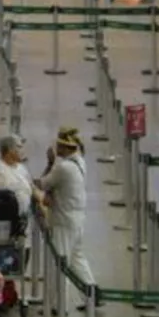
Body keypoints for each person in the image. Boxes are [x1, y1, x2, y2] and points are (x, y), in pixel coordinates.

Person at [33, 128, 96, 305]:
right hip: (77, 219)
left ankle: (59, 305)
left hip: (63, 220)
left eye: (59, 145)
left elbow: (42, 184)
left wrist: (49, 163)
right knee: (77, 259)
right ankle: (91, 296)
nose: (56, 148)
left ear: (67, 148)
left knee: (60, 263)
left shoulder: (63, 167)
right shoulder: (80, 162)